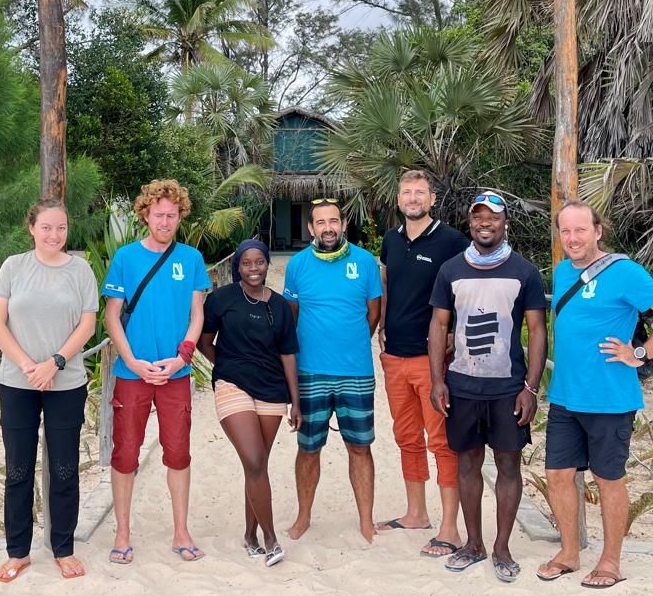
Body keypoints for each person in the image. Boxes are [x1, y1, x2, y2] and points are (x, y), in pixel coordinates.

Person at [537, 200, 653, 588]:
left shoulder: (624, 272)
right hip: (565, 397)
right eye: (566, 231)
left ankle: (609, 561)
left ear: (598, 231)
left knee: (609, 478)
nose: (572, 238)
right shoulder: (561, 272)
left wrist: (641, 353)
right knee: (557, 475)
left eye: (580, 230)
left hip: (609, 398)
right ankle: (570, 552)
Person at [428, 191, 547, 581]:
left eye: (493, 217)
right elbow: (439, 326)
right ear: (470, 222)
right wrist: (437, 380)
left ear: (505, 222)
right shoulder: (450, 270)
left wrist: (530, 388)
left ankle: (502, 548)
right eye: (478, 216)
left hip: (507, 389)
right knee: (466, 464)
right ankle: (474, 544)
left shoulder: (524, 272)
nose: (485, 223)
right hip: (462, 386)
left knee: (509, 464)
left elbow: (537, 330)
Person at [0, 199, 99, 582]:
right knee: (18, 469)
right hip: (18, 383)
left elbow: (87, 325)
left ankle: (63, 548)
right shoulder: (13, 267)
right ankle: (17, 552)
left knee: (64, 468)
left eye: (61, 228)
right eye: (47, 227)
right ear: (31, 228)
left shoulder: (80, 270)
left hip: (65, 382)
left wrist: (55, 363)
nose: (55, 235)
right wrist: (28, 366)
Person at [103, 179, 211, 564]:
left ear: (180, 215)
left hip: (175, 374)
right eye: (158, 214)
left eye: (172, 215)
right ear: (145, 215)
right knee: (126, 453)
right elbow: (111, 315)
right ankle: (123, 532)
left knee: (178, 454)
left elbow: (197, 314)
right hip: (134, 374)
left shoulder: (192, 259)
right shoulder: (126, 258)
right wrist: (131, 361)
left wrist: (182, 358)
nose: (165, 222)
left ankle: (181, 531)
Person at [377, 170, 469, 558]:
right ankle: (416, 513)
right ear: (399, 199)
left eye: (420, 193)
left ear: (432, 199)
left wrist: (454, 335)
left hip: (432, 362)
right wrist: (381, 323)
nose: (413, 198)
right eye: (406, 192)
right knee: (406, 438)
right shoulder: (391, 240)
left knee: (443, 443)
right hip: (393, 356)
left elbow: (466, 291)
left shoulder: (452, 242)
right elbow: (385, 284)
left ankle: (450, 528)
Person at [283, 199, 383, 542]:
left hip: (356, 371)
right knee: (308, 447)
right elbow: (290, 317)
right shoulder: (297, 266)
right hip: (310, 371)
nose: (328, 227)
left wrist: (351, 343)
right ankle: (303, 517)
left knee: (360, 447)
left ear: (343, 224)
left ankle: (366, 521)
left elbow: (374, 313)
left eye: (333, 221)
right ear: (311, 228)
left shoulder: (365, 262)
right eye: (320, 222)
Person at [197, 239, 301, 567]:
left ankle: (249, 535)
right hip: (233, 385)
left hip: (272, 390)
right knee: (255, 460)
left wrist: (295, 401)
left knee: (255, 467)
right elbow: (204, 341)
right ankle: (271, 540)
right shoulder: (221, 299)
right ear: (237, 267)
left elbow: (288, 354)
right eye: (246, 263)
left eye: (259, 262)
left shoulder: (281, 306)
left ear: (267, 264)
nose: (253, 269)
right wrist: (226, 364)